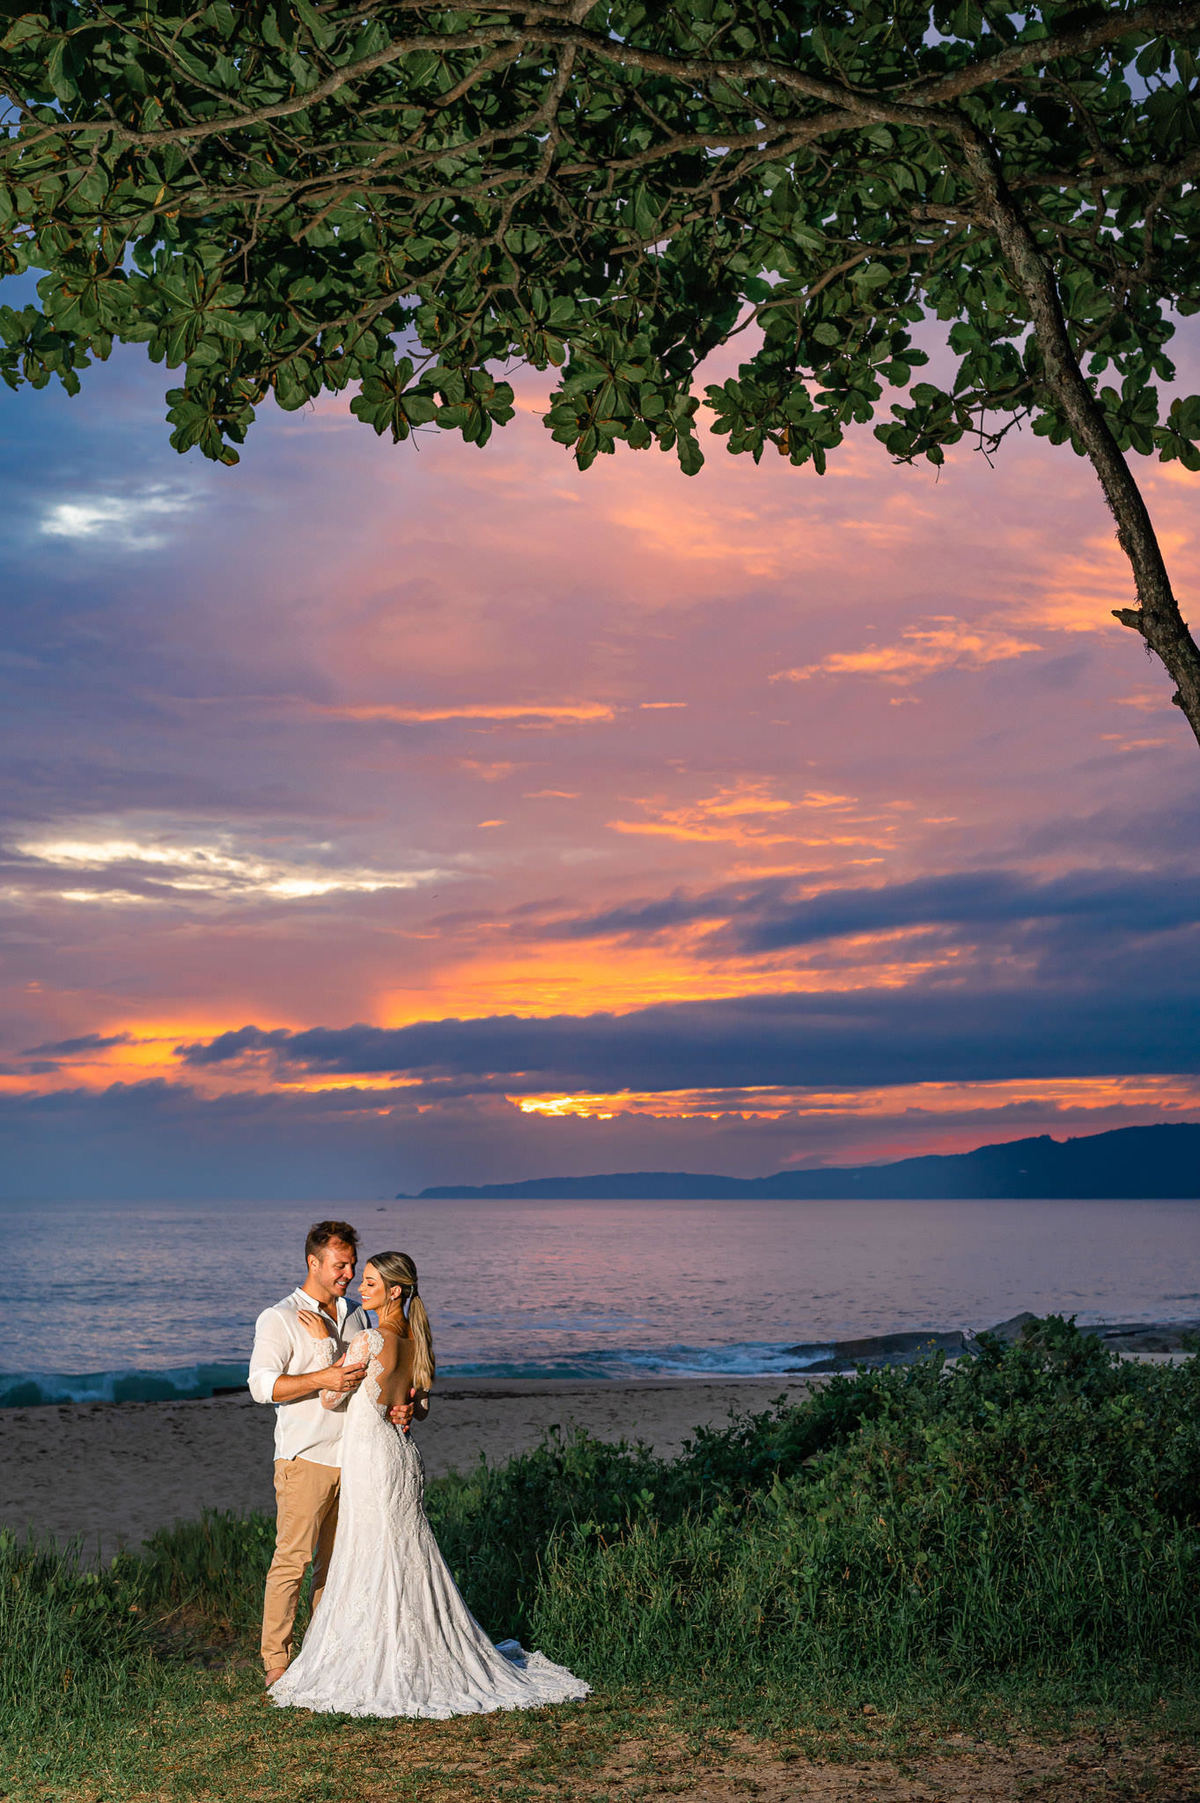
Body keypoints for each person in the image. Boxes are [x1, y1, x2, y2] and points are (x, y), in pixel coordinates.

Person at [269, 1251, 590, 1718]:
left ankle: (385, 1656)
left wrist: (323, 1345)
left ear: (395, 1290)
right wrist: (407, 1409)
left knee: (375, 1551)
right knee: (404, 1552)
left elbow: (332, 1396)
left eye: (373, 1282)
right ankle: (417, 1647)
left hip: (372, 1456)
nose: (362, 1287)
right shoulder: (417, 1339)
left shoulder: (368, 1339)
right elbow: (416, 1405)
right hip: (399, 1455)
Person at [249, 1220, 413, 1686]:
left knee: (338, 1566)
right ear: (313, 1262)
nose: (347, 1273)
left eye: (352, 1265)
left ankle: (321, 1656)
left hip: (360, 1458)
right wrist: (321, 1378)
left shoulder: (359, 1315)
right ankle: (276, 1664)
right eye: (339, 1265)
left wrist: (399, 1407)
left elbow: (373, 1378)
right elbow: (261, 1386)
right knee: (293, 1561)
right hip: (307, 1456)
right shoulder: (279, 1317)